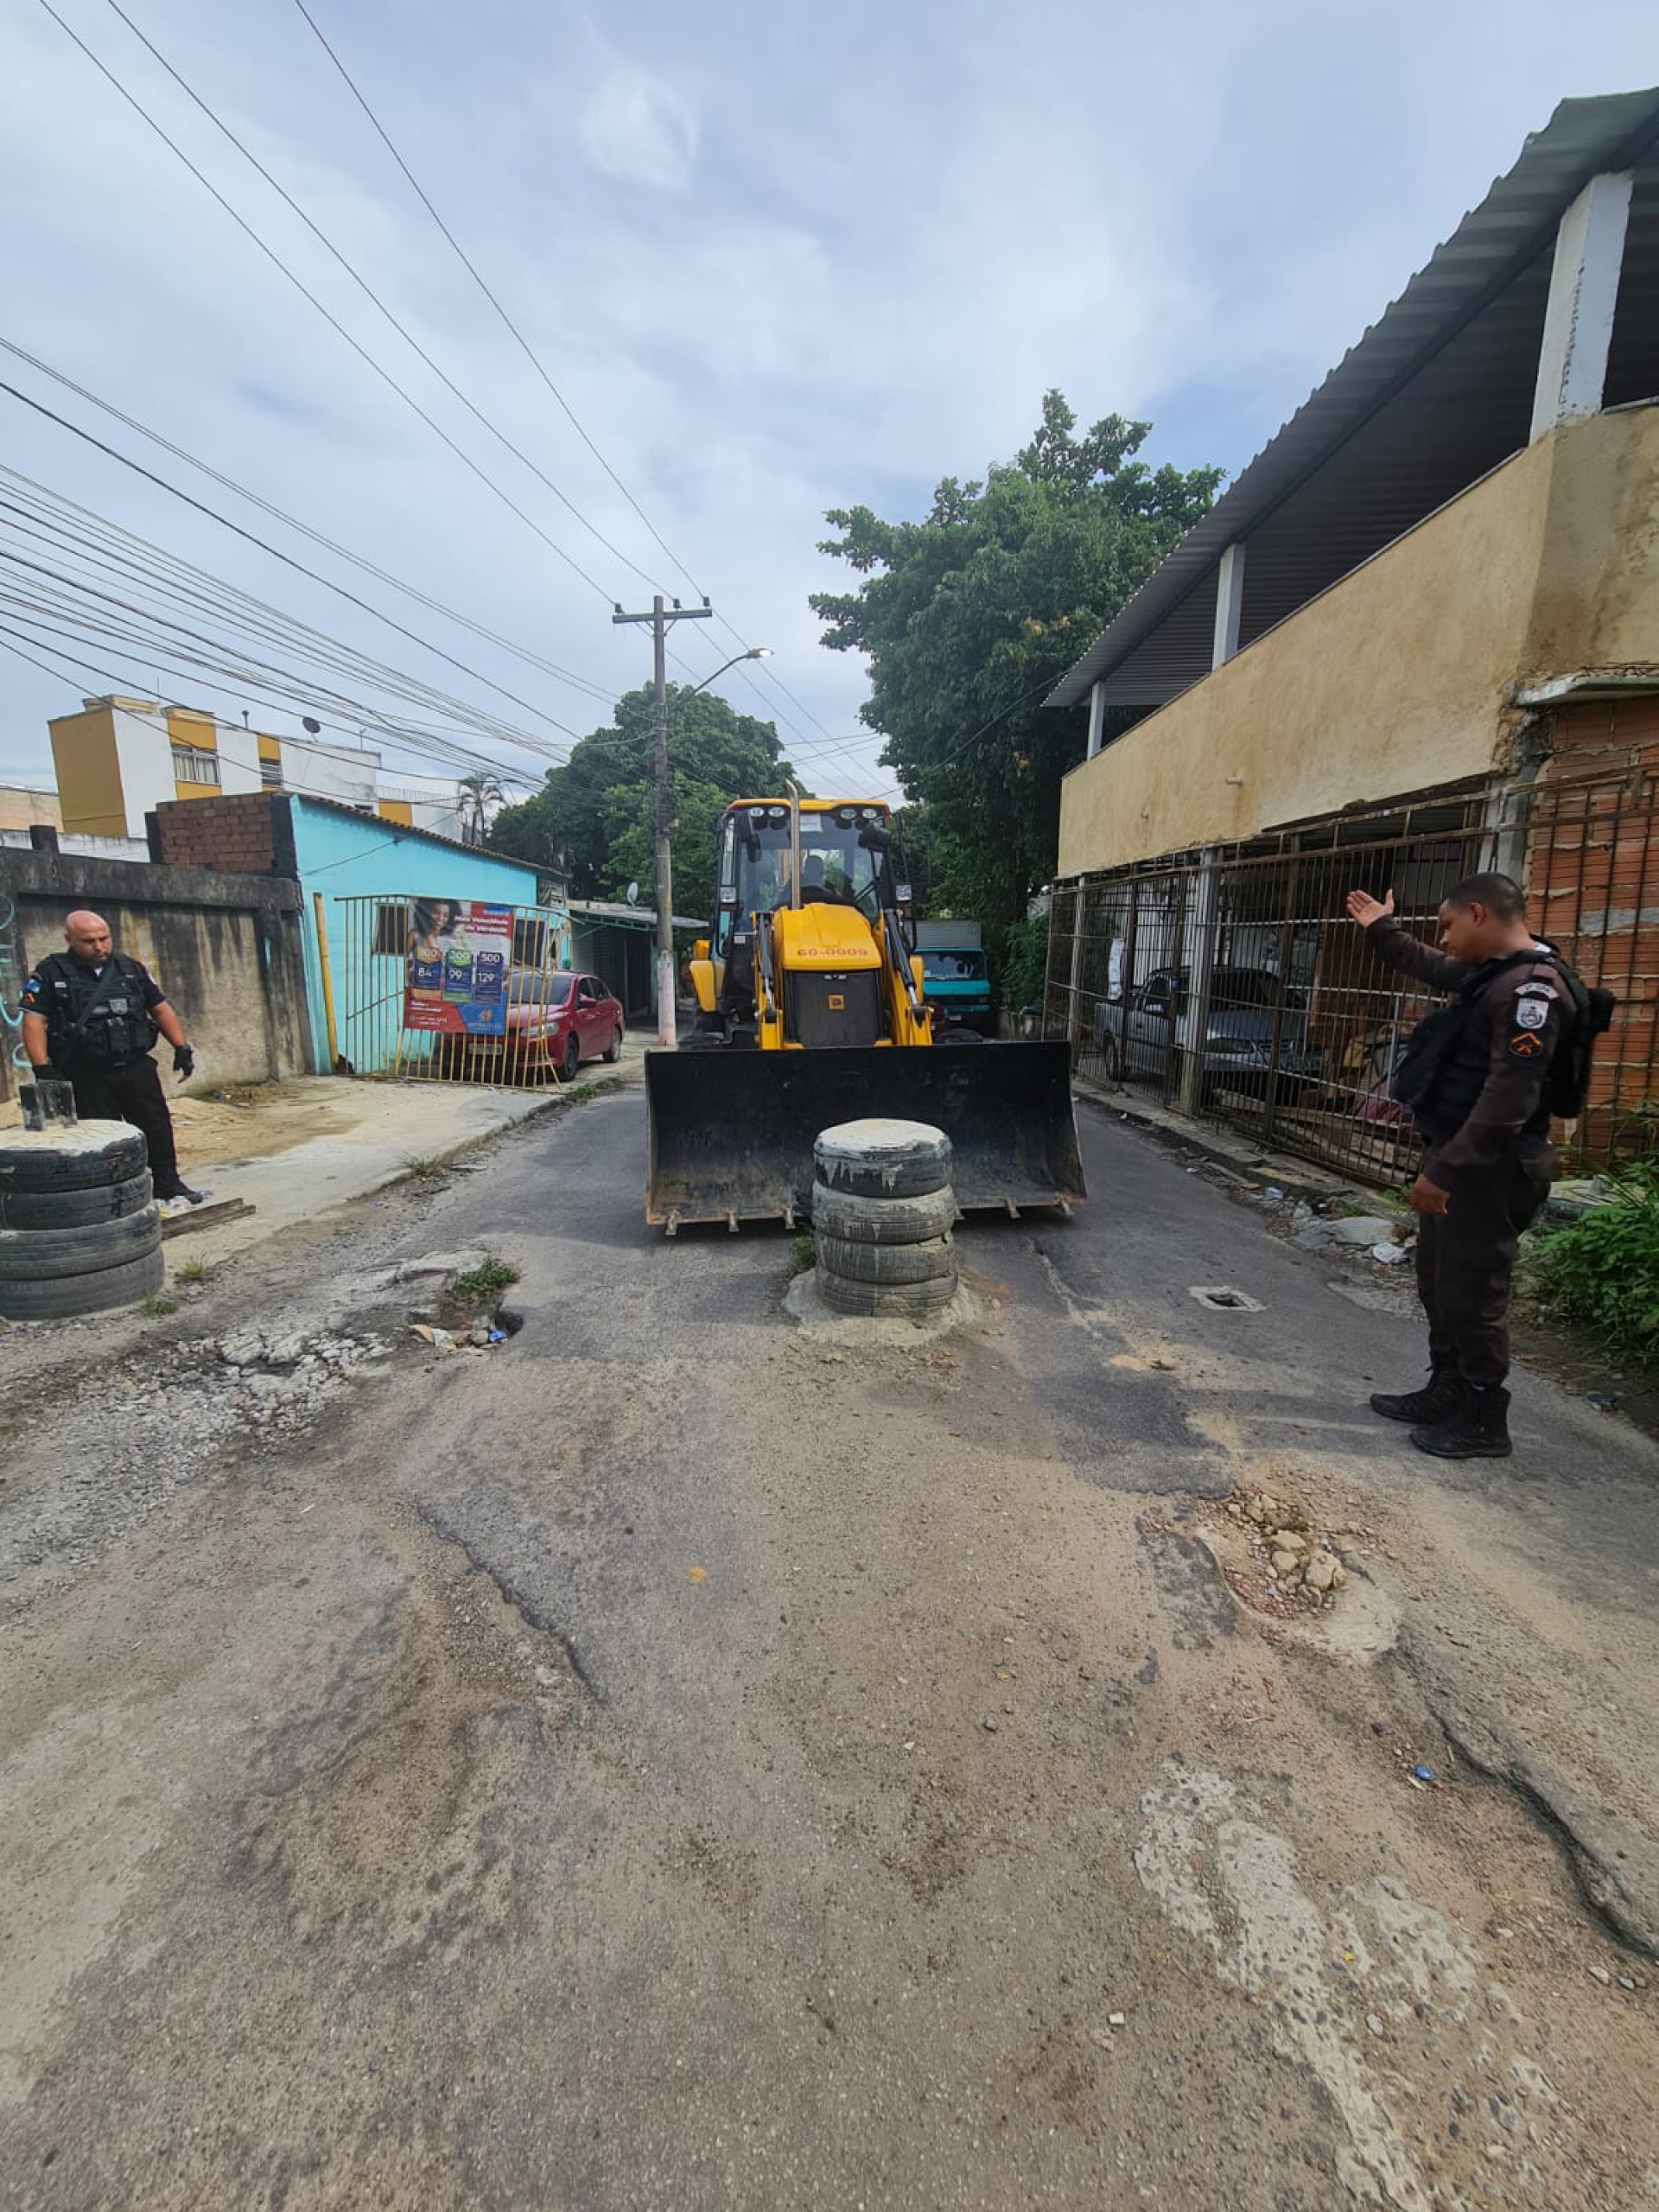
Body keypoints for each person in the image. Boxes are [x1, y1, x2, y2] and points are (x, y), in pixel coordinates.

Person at [1344, 873, 1573, 1459]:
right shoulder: (1492, 976)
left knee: (1474, 1292)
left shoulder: (1531, 993)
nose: (1442, 939)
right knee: (1439, 1283)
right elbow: (1428, 964)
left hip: (1490, 1170)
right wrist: (1381, 931)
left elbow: (1509, 1098)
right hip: (1458, 1158)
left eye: (1446, 926)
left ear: (1478, 914)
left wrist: (1446, 1171)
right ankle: (1445, 1387)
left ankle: (1482, 1415)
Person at [20, 910, 207, 1217]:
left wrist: (181, 1047)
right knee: (103, 1138)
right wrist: (42, 1069)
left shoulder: (129, 969)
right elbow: (33, 1021)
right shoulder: (51, 974)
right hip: (87, 1074)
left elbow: (160, 1009)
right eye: (88, 941)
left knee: (156, 1126)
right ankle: (115, 1199)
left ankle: (168, 1185)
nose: (99, 947)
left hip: (134, 1066)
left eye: (104, 938)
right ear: (70, 940)